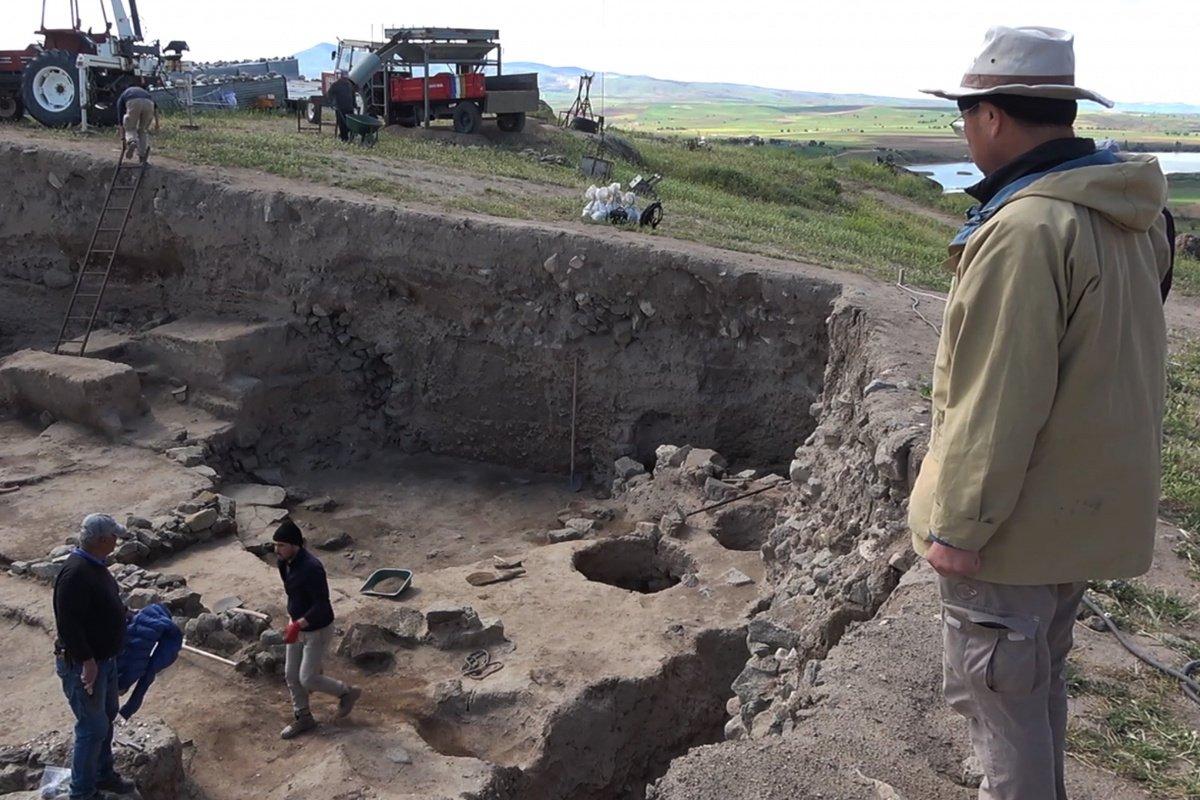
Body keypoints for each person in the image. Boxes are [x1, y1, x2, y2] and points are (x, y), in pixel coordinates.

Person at [909, 26, 1174, 800]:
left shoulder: (1026, 229)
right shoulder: (1124, 210)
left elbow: (998, 397)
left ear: (991, 117)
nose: (965, 130)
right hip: (1080, 512)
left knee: (1002, 708)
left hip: (1014, 531)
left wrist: (959, 528)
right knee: (1035, 687)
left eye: (966, 115)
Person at [52, 514, 138, 800]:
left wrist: (124, 615)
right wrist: (87, 661)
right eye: (114, 537)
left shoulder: (95, 566)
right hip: (85, 664)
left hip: (106, 659)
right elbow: (68, 624)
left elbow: (103, 605)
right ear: (102, 540)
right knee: (92, 727)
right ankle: (82, 792)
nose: (117, 541)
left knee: (107, 716)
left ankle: (103, 774)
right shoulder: (75, 574)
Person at [272, 519, 360, 739]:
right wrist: (292, 620)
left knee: (307, 678)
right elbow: (293, 593)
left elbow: (321, 605)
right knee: (291, 675)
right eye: (276, 545)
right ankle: (304, 717)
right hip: (297, 626)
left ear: (295, 544)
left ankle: (347, 692)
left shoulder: (312, 568)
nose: (277, 550)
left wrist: (300, 623)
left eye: (281, 545)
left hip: (317, 629)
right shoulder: (283, 563)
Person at [115, 79, 159, 163]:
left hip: (133, 102)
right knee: (142, 131)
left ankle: (132, 141)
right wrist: (157, 124)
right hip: (149, 103)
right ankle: (142, 158)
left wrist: (123, 138)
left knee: (130, 128)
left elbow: (121, 122)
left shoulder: (123, 96)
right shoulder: (145, 92)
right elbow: (156, 109)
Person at [326, 75, 357, 143]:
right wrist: (333, 103)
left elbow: (353, 95)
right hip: (340, 107)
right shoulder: (336, 84)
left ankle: (348, 135)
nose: (345, 79)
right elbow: (329, 94)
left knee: (350, 123)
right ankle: (344, 138)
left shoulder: (349, 84)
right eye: (344, 77)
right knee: (342, 123)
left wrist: (355, 104)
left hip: (349, 107)